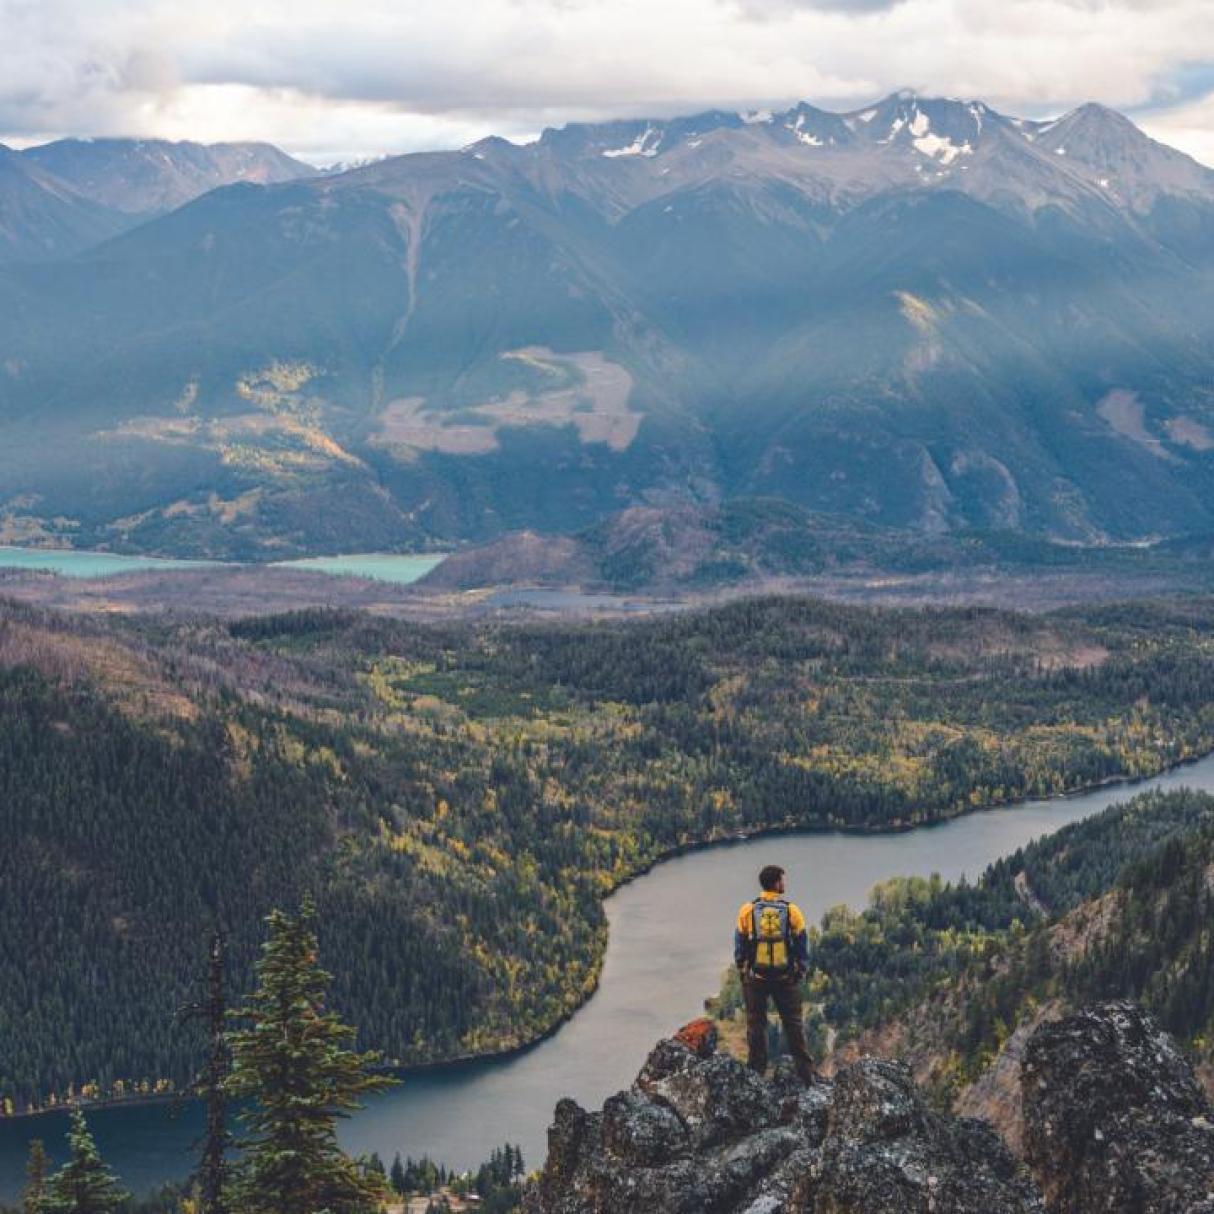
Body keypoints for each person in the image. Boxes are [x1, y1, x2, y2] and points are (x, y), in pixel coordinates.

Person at [734, 864, 816, 1083]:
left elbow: (740, 945)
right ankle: (806, 1075)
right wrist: (800, 971)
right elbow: (801, 945)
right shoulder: (791, 911)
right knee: (794, 1026)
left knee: (756, 1026)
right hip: (784, 979)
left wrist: (743, 970)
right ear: (777, 883)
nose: (785, 883)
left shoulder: (747, 910)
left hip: (757, 979)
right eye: (783, 880)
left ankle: (755, 1075)